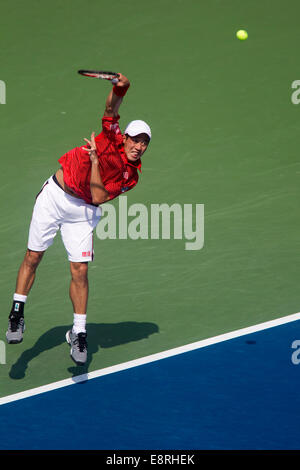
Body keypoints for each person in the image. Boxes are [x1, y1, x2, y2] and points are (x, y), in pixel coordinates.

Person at [6, 73, 151, 365]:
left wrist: (96, 161)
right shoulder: (110, 136)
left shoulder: (130, 176)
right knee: (33, 256)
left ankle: (79, 332)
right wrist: (122, 87)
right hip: (55, 196)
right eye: (135, 139)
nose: (138, 146)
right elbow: (111, 109)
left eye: (144, 143)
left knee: (80, 271)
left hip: (83, 211)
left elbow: (97, 197)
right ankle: (17, 314)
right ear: (124, 138)